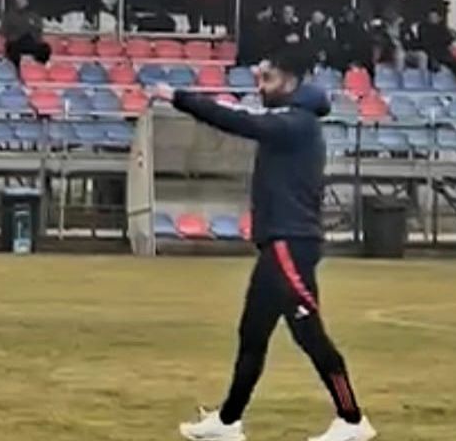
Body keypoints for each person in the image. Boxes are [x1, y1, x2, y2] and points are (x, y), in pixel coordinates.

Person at [150, 48, 376, 441]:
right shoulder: (290, 121)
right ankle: (228, 422)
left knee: (310, 335)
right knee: (252, 334)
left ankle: (353, 420)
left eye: (267, 79)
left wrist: (178, 97)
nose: (260, 87)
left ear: (289, 81)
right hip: (278, 246)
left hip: (291, 245)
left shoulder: (297, 124)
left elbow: (238, 121)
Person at [2, 0, 51, 68]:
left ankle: (41, 68)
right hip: (16, 42)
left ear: (27, 0)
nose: (20, 1)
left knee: (45, 48)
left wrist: (33, 31)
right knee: (11, 49)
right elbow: (5, 31)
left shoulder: (34, 15)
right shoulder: (9, 15)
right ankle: (15, 69)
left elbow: (39, 29)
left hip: (32, 42)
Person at [416, 7, 456, 76]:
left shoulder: (442, 28)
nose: (433, 18)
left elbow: (449, 40)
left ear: (439, 18)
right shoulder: (424, 27)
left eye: (435, 17)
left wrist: (453, 44)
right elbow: (424, 42)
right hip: (431, 51)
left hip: (443, 52)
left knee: (455, 63)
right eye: (431, 17)